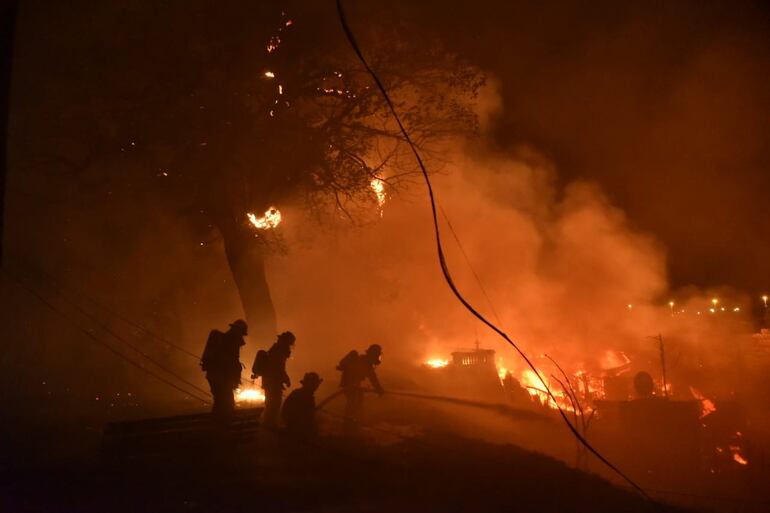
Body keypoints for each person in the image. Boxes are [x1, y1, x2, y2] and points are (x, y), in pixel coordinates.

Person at [200, 319, 247, 421]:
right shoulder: (229, 342)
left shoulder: (228, 341)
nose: (242, 337)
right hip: (220, 378)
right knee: (225, 403)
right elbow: (230, 363)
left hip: (218, 377)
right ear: (237, 331)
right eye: (241, 333)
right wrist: (233, 378)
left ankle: (218, 426)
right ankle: (220, 427)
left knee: (222, 402)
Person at [337, 344, 384, 433]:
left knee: (357, 402)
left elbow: (372, 377)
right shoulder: (365, 363)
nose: (378, 357)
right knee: (353, 403)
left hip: (353, 385)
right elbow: (373, 378)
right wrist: (379, 389)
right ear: (373, 355)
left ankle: (351, 423)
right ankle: (348, 425)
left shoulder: (365, 361)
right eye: (377, 355)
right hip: (350, 386)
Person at [258, 331, 295, 429]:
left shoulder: (277, 350)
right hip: (272, 383)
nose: (290, 346)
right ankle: (269, 425)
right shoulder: (278, 351)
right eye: (289, 343)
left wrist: (284, 379)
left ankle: (269, 423)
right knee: (273, 403)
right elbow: (278, 368)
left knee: (272, 403)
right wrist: (286, 379)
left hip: (271, 382)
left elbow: (279, 369)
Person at [281, 372, 323, 437]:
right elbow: (308, 417)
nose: (316, 386)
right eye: (314, 384)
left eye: (316, 384)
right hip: (298, 429)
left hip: (292, 426)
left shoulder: (297, 393)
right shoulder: (306, 397)